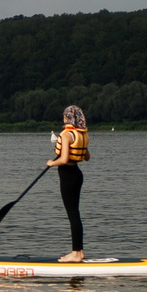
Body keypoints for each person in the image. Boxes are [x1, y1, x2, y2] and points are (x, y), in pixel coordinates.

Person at [49, 105, 90, 264]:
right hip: (77, 174)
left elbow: (64, 159)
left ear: (67, 118)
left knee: (73, 215)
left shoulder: (67, 135)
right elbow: (86, 157)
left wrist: (52, 163)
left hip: (67, 176)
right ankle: (80, 251)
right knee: (75, 214)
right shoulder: (82, 135)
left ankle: (75, 253)